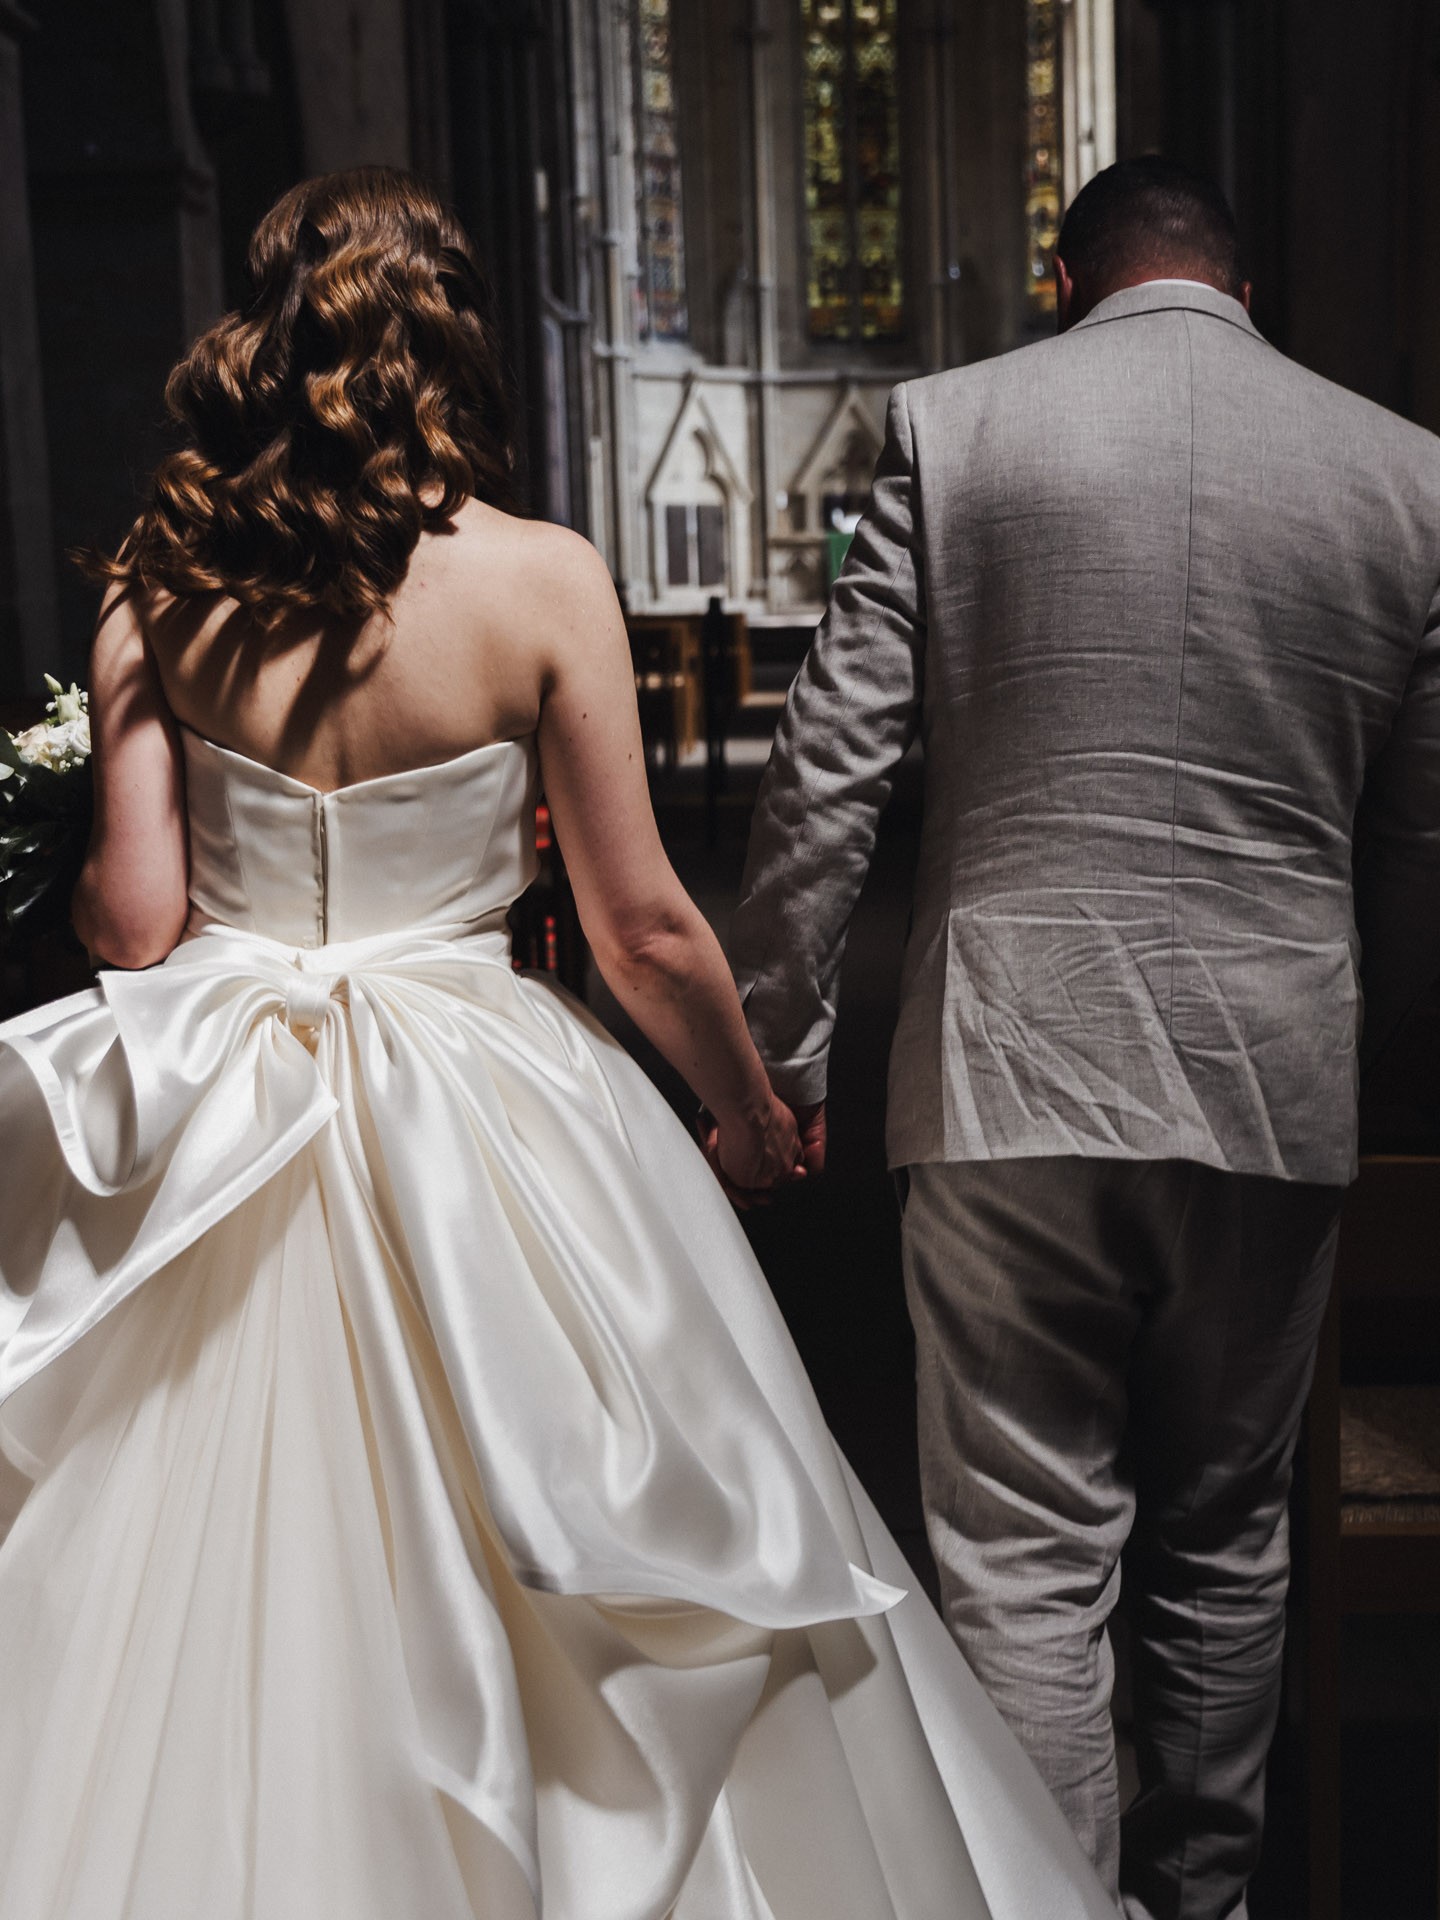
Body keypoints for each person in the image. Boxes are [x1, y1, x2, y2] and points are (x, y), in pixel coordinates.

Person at [0, 169, 1111, 1919]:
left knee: (208, 1554)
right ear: (452, 338)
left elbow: (135, 921)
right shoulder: (538, 580)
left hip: (224, 1104)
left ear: (265, 337)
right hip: (486, 1100)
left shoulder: (166, 580)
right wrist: (745, 1113)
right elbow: (642, 928)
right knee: (597, 1538)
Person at [729, 154, 1440, 1918]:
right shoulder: (1406, 475)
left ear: (1070, 283)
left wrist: (783, 1046)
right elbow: (1424, 842)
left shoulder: (959, 430)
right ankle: (1201, 1902)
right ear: (1243, 295)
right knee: (1226, 1537)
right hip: (1278, 1074)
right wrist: (1375, 1042)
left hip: (1010, 1071)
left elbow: (831, 771)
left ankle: (1052, 1900)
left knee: (1030, 1558)